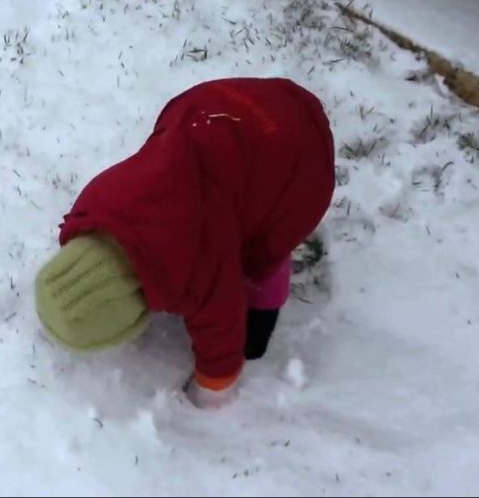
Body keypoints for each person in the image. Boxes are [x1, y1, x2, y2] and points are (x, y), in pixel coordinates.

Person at [34, 77, 335, 409]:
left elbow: (222, 326)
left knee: (258, 257)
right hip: (215, 111)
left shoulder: (197, 269)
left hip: (295, 156)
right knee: (219, 195)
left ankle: (265, 302)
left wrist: (212, 388)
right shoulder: (92, 206)